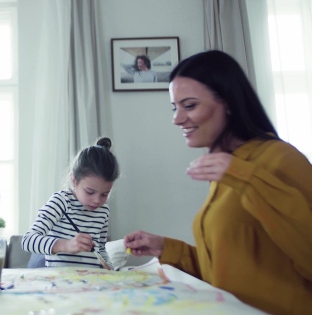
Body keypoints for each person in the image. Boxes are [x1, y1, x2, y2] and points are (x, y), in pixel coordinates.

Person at [124, 50, 312, 315]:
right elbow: (229, 269)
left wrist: (244, 177)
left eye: (189, 106)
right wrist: (167, 247)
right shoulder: (228, 167)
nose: (177, 119)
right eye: (174, 107)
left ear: (229, 103)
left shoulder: (280, 160)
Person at [22, 137, 120, 268]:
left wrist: (110, 269)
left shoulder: (103, 211)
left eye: (104, 194)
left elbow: (101, 250)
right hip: (60, 284)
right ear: (74, 180)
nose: (97, 200)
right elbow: (28, 241)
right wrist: (66, 245)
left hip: (92, 283)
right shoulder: (61, 202)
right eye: (90, 192)